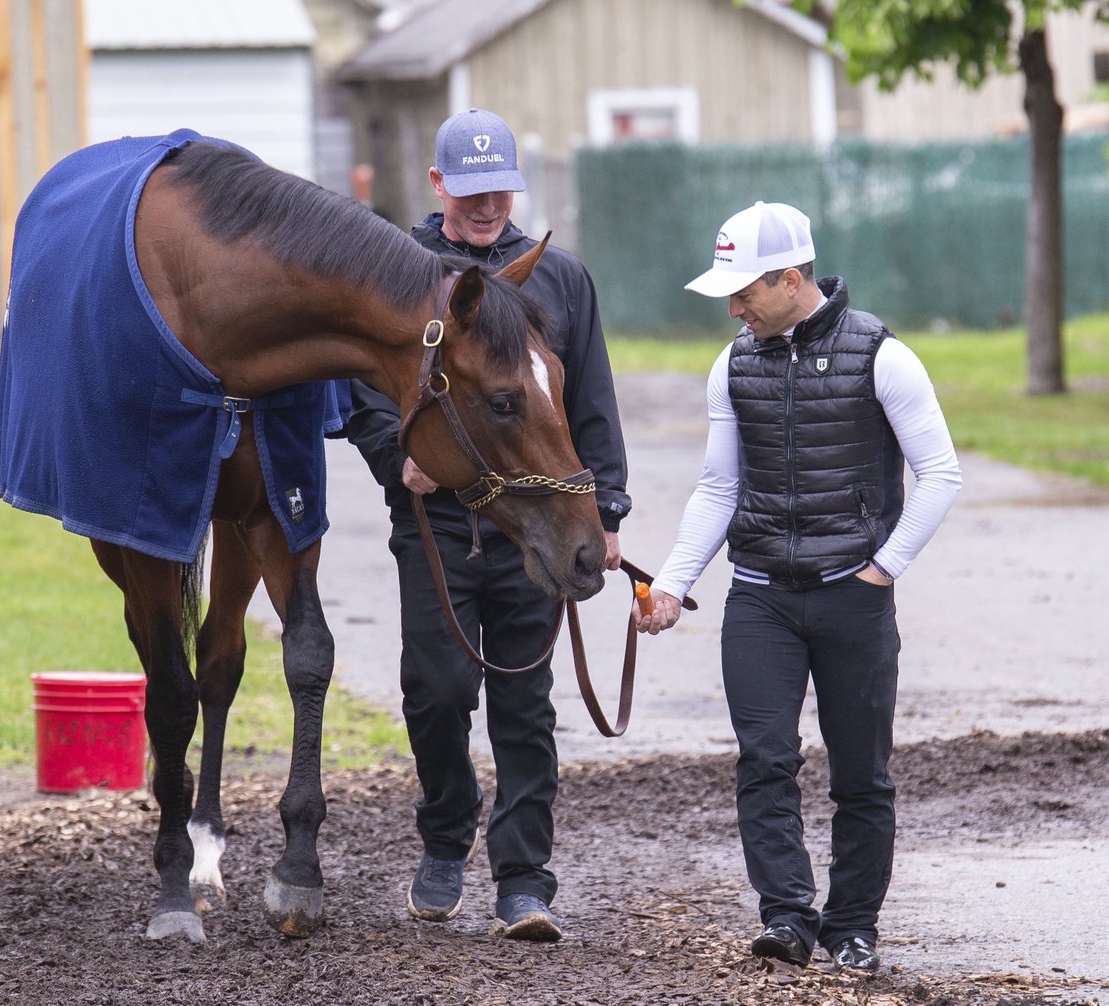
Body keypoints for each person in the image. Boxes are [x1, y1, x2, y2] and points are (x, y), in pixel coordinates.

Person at [636, 201, 962, 972]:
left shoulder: (883, 355)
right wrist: (675, 586)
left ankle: (853, 927)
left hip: (853, 594)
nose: (733, 305)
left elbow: (941, 474)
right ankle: (787, 917)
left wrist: (883, 567)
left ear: (790, 279)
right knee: (765, 759)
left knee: (861, 772)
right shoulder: (733, 362)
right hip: (760, 597)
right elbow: (718, 487)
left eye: (744, 289)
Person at [346, 108, 631, 942]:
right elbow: (362, 386)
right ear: (438, 186)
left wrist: (605, 510)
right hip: (436, 524)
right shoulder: (397, 271)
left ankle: (522, 878)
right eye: (469, 191)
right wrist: (392, 456)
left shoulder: (559, 279)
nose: (485, 206)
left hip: (530, 523)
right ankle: (444, 836)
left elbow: (590, 404)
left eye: (498, 189)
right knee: (435, 693)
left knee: (524, 699)